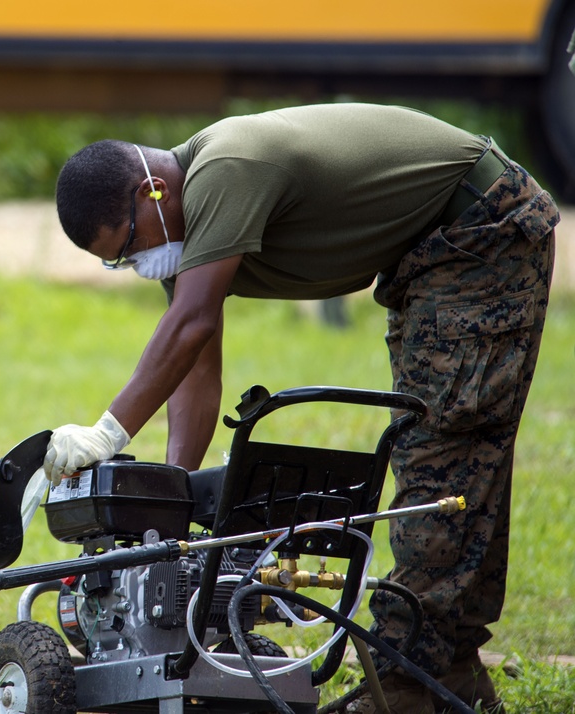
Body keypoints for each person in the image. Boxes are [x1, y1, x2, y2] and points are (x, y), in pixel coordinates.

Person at [44, 103, 557, 713]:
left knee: (444, 455)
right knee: (460, 455)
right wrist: (173, 498)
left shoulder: (226, 170)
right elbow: (196, 364)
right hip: (433, 255)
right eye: (116, 261)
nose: (132, 264)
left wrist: (107, 433)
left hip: (480, 230)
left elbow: (190, 323)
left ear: (152, 190)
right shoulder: (182, 222)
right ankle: (454, 672)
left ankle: (408, 684)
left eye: (127, 246)